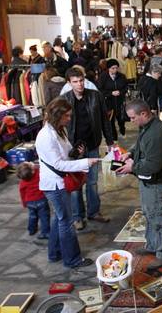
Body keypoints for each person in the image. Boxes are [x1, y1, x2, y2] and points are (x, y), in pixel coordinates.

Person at [35, 98, 100, 268]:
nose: (70, 119)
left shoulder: (58, 130)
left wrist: (76, 153)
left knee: (60, 218)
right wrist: (85, 162)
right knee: (66, 222)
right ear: (58, 116)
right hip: (55, 184)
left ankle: (54, 253)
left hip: (59, 181)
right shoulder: (46, 136)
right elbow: (58, 164)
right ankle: (72, 260)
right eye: (67, 116)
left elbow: (64, 156)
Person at [116, 99, 162, 270]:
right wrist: (131, 153)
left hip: (155, 181)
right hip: (147, 180)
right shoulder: (147, 126)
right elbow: (140, 145)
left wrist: (131, 167)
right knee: (149, 214)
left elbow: (153, 166)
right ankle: (152, 245)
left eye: (133, 118)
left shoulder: (156, 134)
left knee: (158, 217)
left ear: (143, 114)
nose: (131, 121)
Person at [62, 68, 114, 230]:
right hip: (74, 149)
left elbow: (105, 120)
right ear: (69, 83)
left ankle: (94, 212)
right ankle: (78, 216)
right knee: (76, 185)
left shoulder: (95, 96)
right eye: (75, 82)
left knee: (92, 182)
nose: (79, 84)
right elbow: (60, 125)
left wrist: (110, 141)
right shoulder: (64, 100)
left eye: (81, 80)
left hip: (92, 144)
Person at [17, 162, 50, 240]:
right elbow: (42, 169)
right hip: (41, 200)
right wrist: (35, 166)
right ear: (32, 171)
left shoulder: (23, 182)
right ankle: (45, 232)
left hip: (30, 202)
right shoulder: (38, 174)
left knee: (32, 216)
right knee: (44, 217)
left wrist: (24, 203)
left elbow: (22, 193)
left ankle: (32, 230)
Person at [98, 59, 128, 140]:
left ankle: (122, 130)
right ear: (108, 68)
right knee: (110, 121)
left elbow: (125, 87)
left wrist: (121, 92)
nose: (115, 70)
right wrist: (110, 93)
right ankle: (114, 138)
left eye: (116, 68)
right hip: (108, 103)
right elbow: (100, 90)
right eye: (113, 68)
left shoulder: (122, 76)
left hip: (120, 101)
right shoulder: (103, 77)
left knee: (121, 119)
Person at [144, 47, 162, 111]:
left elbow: (145, 73)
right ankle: (161, 116)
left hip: (151, 86)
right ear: (161, 53)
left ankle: (154, 117)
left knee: (152, 104)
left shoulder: (149, 61)